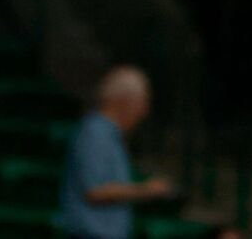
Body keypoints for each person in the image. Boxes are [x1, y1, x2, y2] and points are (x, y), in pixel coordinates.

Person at [58, 66, 177, 239]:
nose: (144, 112)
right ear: (123, 100)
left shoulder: (112, 136)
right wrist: (147, 190)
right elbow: (95, 191)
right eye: (142, 102)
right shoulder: (95, 133)